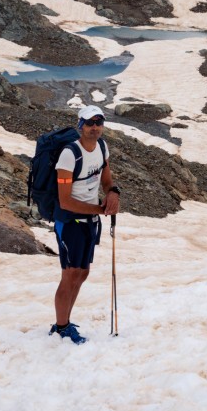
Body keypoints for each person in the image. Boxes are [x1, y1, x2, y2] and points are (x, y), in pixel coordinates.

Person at [51, 104, 120, 344]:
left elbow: (107, 180)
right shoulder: (69, 155)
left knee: (82, 273)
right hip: (70, 222)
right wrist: (99, 209)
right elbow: (65, 200)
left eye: (99, 122)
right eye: (89, 123)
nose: (94, 128)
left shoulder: (102, 147)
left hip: (89, 221)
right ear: (80, 125)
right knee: (69, 275)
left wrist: (113, 194)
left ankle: (66, 322)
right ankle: (61, 327)